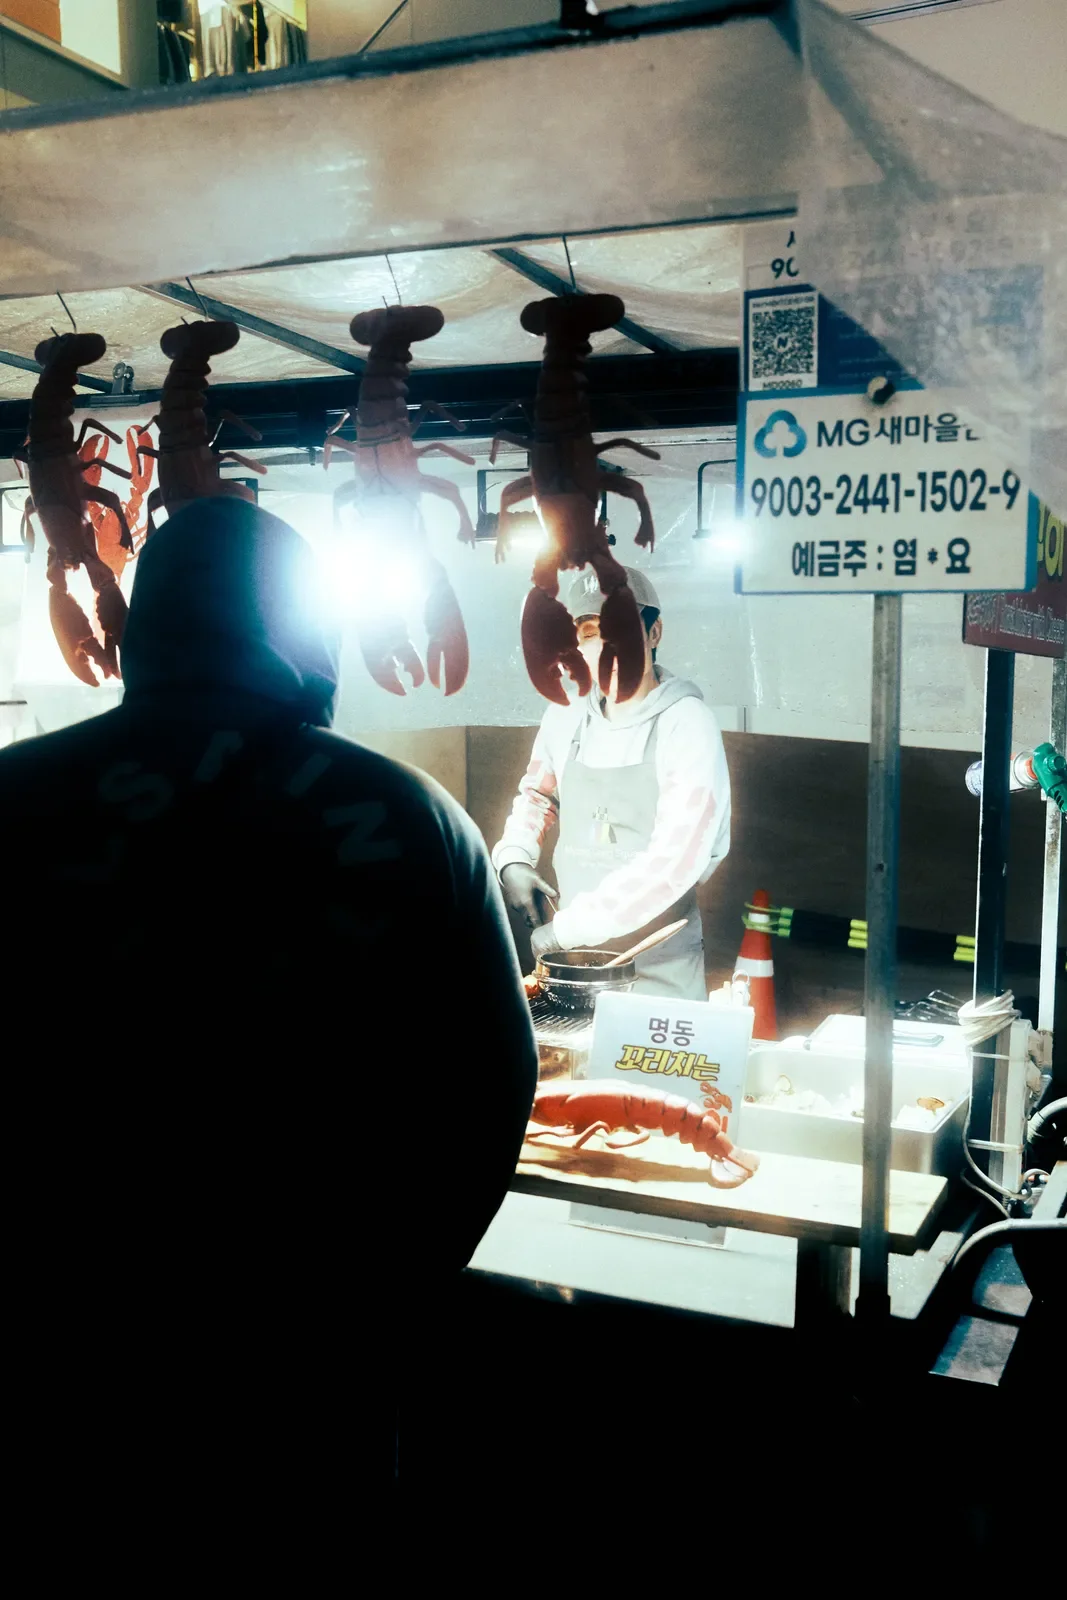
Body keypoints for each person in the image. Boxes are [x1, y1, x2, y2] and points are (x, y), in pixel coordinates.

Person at [1, 497, 537, 1511]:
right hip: (306, 1362)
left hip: (46, 1353)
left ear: (138, 635)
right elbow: (490, 1095)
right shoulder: (415, 819)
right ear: (304, 634)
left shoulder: (13, 795)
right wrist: (379, 1305)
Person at [493, 566, 730, 1000]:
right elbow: (538, 794)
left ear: (653, 632)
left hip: (658, 964)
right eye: (587, 632)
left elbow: (674, 862)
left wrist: (563, 931)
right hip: (575, 961)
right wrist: (514, 857)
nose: (603, 646)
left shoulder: (687, 725)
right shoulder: (566, 714)